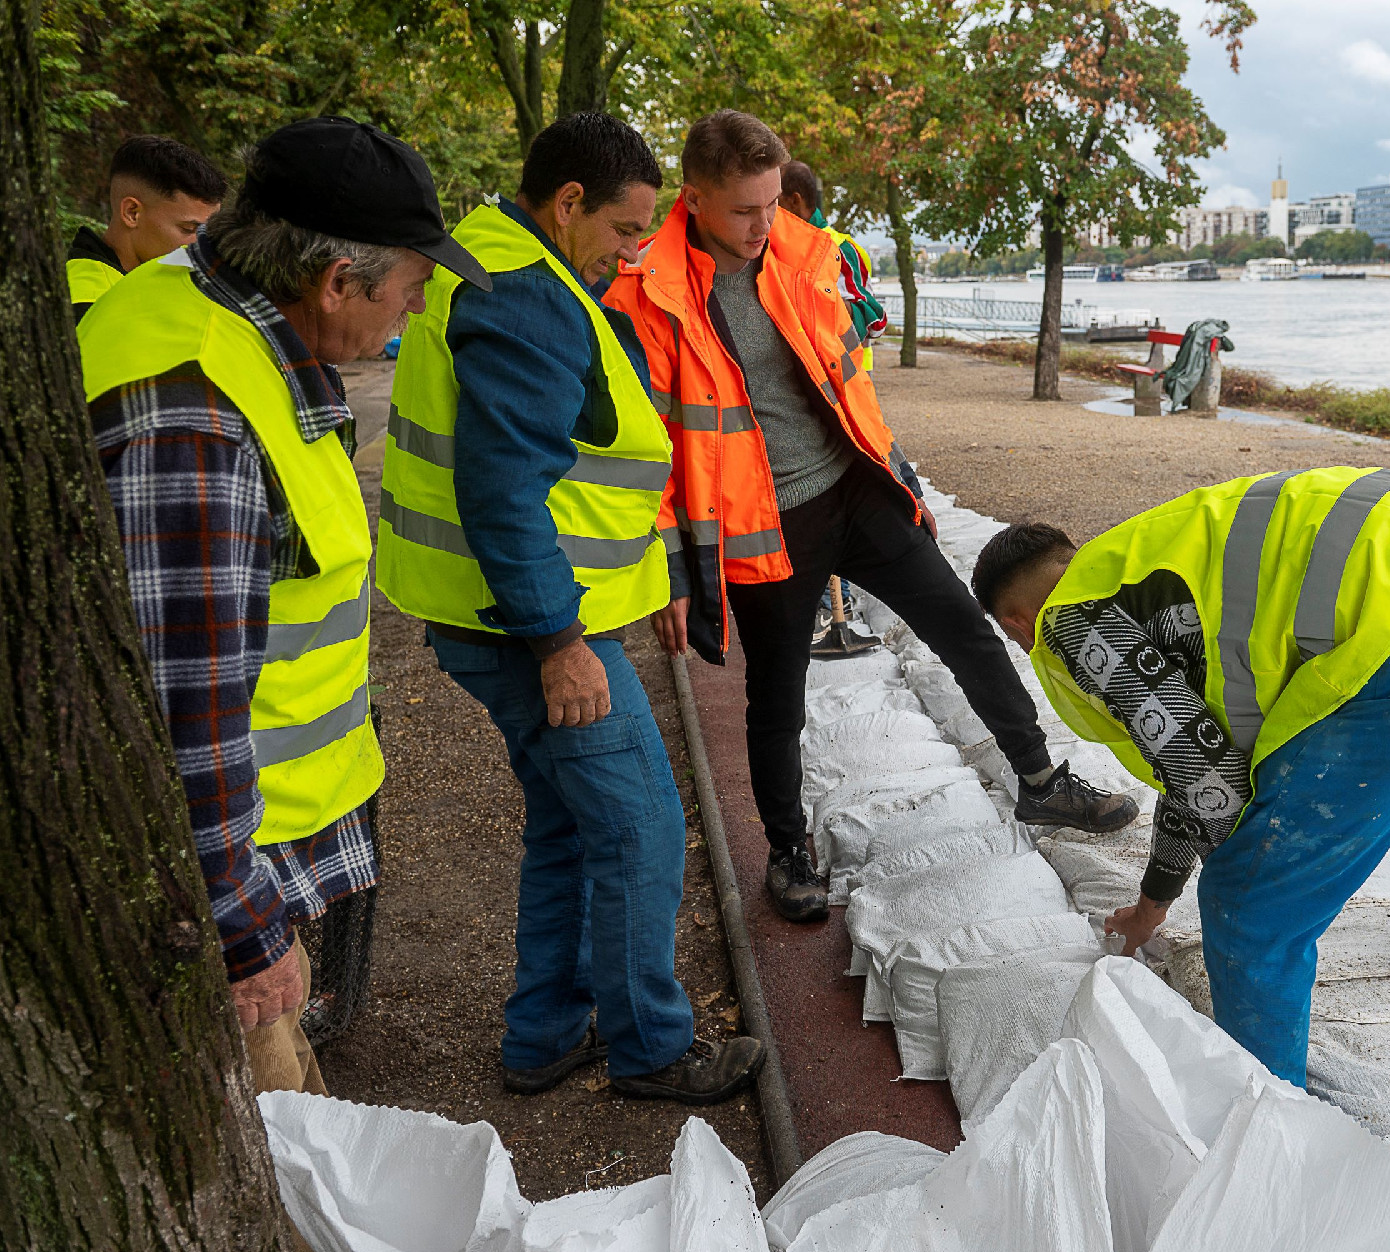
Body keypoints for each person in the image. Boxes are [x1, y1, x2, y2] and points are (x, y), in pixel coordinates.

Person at [79, 115, 480, 1252]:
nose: (411, 316)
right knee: (267, 1179)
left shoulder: (230, 335)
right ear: (331, 279)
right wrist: (245, 928)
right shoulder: (194, 413)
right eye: (406, 289)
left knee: (295, 1142)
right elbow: (179, 710)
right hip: (220, 889)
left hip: (262, 860)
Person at [602, 109, 1137, 926]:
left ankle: (1040, 783)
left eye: (774, 203)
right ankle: (788, 850)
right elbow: (652, 448)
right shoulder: (646, 291)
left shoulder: (801, 251)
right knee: (777, 698)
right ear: (695, 200)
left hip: (852, 487)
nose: (763, 225)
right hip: (760, 524)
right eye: (745, 210)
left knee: (961, 623)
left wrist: (900, 476)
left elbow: (848, 379)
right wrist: (672, 569)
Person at [377, 112, 764, 1105]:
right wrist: (559, 642)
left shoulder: (494, 256)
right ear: (566, 204)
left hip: (489, 612)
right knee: (637, 827)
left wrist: (658, 576)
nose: (634, 251)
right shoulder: (528, 298)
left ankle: (546, 1031)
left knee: (566, 826)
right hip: (527, 625)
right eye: (627, 230)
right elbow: (506, 490)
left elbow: (581, 462)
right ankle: (649, 1048)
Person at [970, 467, 1390, 1088]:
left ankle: (1269, 1119)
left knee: (1247, 899)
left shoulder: (1073, 623)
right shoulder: (1141, 555)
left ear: (1019, 624)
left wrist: (1152, 906)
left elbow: (1209, 785)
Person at [68, 134, 228, 319]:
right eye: (189, 229)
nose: (202, 245)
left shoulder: (148, 284)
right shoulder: (88, 301)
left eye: (207, 232)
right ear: (132, 213)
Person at [776, 160, 886, 371]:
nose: (769, 211)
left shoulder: (841, 248)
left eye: (775, 201)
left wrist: (824, 302)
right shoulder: (776, 247)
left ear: (794, 200)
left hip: (849, 379)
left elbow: (877, 322)